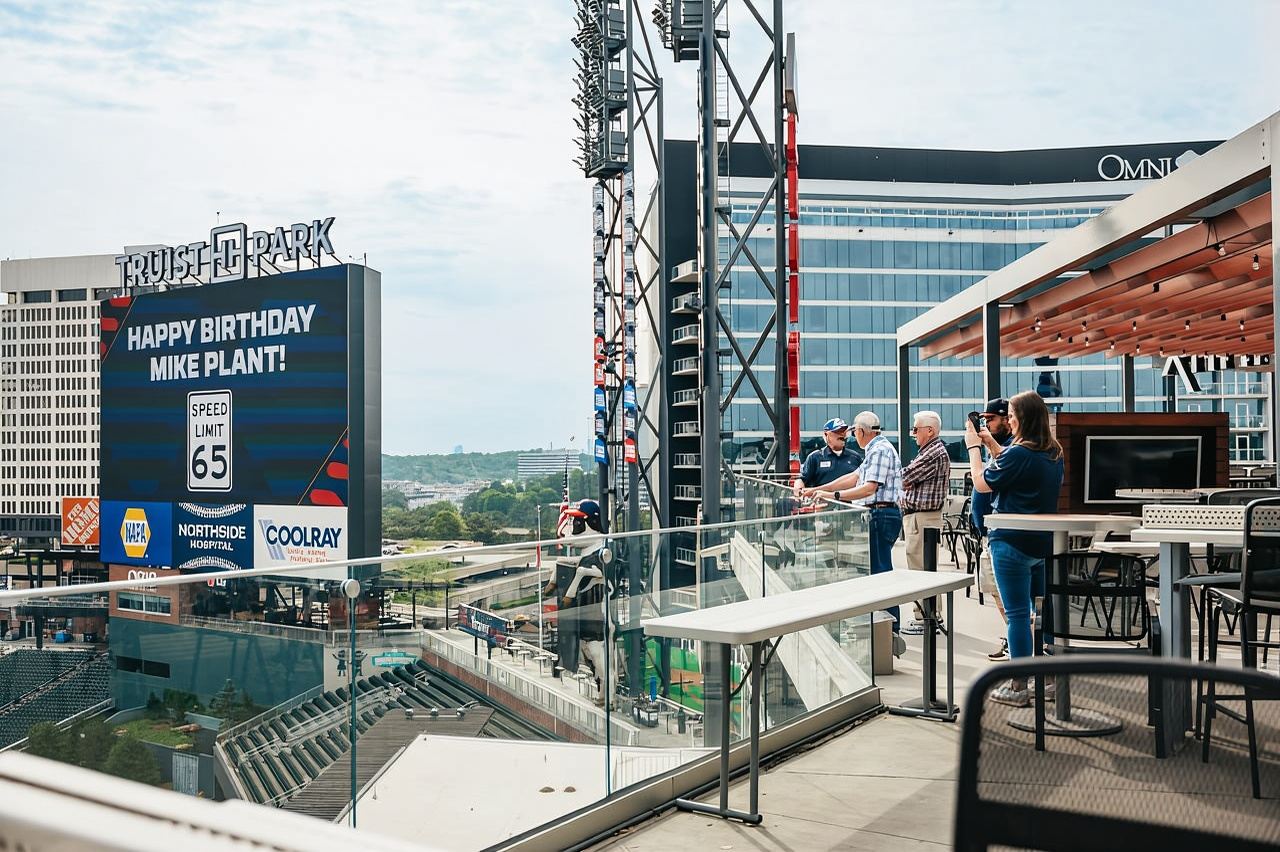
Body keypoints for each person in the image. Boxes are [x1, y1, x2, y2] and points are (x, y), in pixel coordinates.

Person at [965, 390, 1064, 707]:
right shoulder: (1053, 453)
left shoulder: (1018, 455)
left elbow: (982, 483)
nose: (1008, 419)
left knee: (1018, 616)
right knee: (1043, 613)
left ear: (1022, 419)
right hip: (1040, 542)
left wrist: (973, 450)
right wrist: (991, 444)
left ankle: (1019, 684)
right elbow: (1011, 464)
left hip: (1010, 543)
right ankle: (1046, 679)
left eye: (1011, 415)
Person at [811, 411, 906, 656]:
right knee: (877, 571)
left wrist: (833, 496)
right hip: (878, 514)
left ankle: (890, 633)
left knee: (881, 574)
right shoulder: (875, 450)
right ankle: (886, 631)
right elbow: (853, 478)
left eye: (854, 433)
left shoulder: (879, 450)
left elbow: (868, 487)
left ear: (862, 432)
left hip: (881, 515)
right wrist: (820, 490)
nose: (853, 438)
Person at [969, 398, 1015, 659]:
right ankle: (1014, 636)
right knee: (997, 591)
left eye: (992, 419)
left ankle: (1019, 641)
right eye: (984, 420)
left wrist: (976, 446)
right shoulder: (998, 449)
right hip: (989, 530)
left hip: (1003, 533)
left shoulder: (1010, 450)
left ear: (1008, 420)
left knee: (1004, 592)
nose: (987, 424)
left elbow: (982, 483)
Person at [898, 410, 950, 635]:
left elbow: (904, 477)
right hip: (920, 516)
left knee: (920, 569)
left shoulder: (933, 452)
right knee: (922, 567)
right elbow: (908, 479)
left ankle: (926, 619)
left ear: (930, 431)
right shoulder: (930, 451)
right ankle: (928, 616)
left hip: (922, 517)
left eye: (916, 429)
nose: (913, 433)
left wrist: (907, 484)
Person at [791, 418, 864, 498]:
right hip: (823, 506)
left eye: (844, 431)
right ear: (826, 435)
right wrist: (799, 491)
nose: (842, 435)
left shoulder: (855, 457)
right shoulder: (815, 457)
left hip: (851, 506)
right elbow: (801, 479)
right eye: (838, 431)